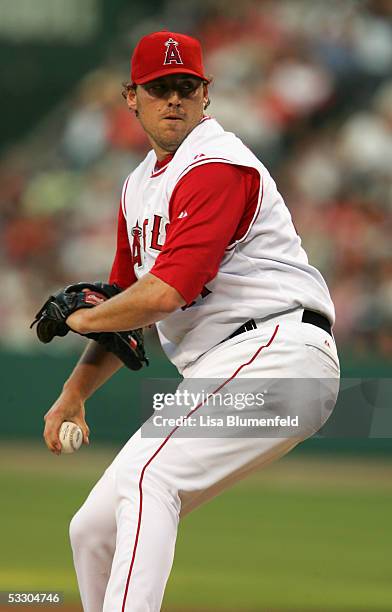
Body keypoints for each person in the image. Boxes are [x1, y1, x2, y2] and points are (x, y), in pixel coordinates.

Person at [43, 31, 340, 611]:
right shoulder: (137, 188)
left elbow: (162, 297)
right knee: (93, 529)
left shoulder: (217, 166)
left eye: (186, 87)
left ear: (206, 95)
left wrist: (81, 318)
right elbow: (125, 310)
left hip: (276, 351)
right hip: (229, 368)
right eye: (160, 89)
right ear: (132, 97)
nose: (174, 99)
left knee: (148, 481)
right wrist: (72, 394)